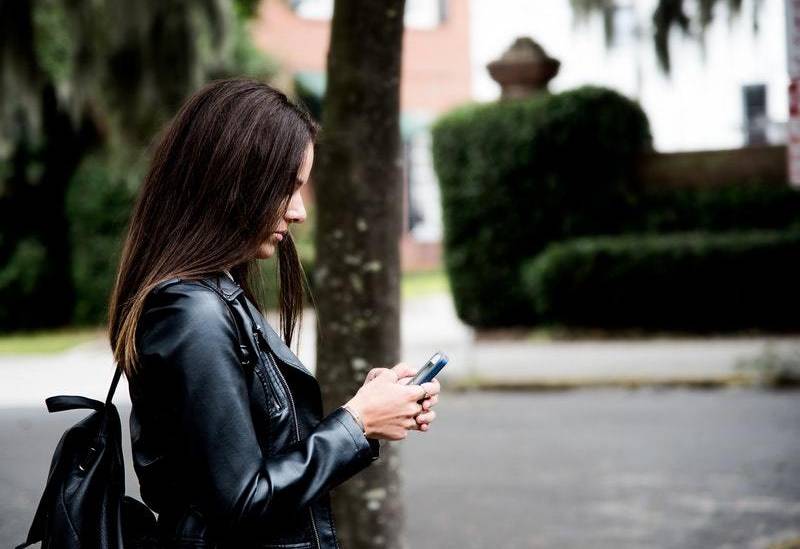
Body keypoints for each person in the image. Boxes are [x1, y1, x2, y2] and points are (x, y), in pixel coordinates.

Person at [107, 78, 441, 548]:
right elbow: (242, 502)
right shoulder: (191, 313)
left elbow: (260, 460)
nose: (300, 211)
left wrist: (370, 409)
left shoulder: (211, 295)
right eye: (288, 187)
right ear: (232, 181)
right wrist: (356, 423)